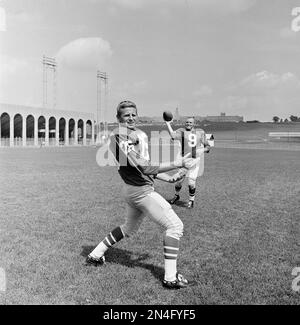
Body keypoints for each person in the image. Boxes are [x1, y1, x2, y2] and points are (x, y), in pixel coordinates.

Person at [86, 100, 196, 289]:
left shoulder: (134, 135)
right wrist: (176, 163)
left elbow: (145, 167)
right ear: (118, 118)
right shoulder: (119, 136)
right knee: (175, 227)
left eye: (133, 114)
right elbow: (144, 167)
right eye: (126, 115)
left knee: (128, 228)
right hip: (140, 192)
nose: (131, 117)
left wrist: (167, 178)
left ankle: (96, 254)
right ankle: (170, 278)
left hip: (132, 189)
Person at [165, 117, 210, 209]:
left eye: (190, 122)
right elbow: (173, 135)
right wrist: (168, 123)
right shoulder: (181, 131)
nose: (188, 124)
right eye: (187, 122)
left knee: (191, 183)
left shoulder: (200, 132)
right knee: (178, 181)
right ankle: (176, 196)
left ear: (194, 124)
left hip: (194, 161)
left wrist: (202, 150)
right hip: (183, 160)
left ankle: (191, 201)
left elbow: (208, 147)